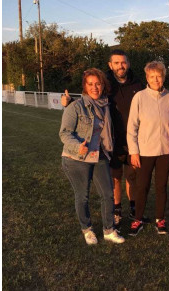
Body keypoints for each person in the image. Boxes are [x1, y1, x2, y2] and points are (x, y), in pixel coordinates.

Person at [62, 49, 146, 228]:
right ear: (110, 65)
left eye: (123, 62)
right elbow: (88, 100)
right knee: (115, 177)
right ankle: (116, 210)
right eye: (116, 63)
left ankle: (133, 208)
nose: (120, 66)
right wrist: (68, 103)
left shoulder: (138, 84)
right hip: (111, 141)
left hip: (132, 139)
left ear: (128, 64)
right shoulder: (106, 84)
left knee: (132, 176)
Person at [59, 68, 125, 245]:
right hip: (77, 158)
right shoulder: (75, 106)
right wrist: (77, 145)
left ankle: (109, 230)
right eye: (90, 84)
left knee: (108, 194)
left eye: (98, 83)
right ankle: (87, 229)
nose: (94, 87)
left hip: (100, 155)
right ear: (85, 86)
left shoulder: (106, 104)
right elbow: (64, 133)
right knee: (83, 196)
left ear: (103, 85)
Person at [127, 61, 169, 236]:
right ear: (147, 77)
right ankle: (138, 219)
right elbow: (131, 127)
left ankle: (160, 219)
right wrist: (134, 151)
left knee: (161, 186)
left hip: (166, 151)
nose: (156, 79)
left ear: (163, 77)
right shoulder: (139, 97)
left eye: (159, 76)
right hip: (145, 151)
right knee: (142, 186)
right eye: (152, 76)